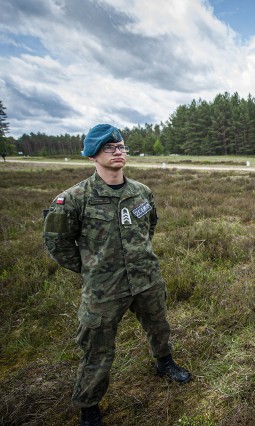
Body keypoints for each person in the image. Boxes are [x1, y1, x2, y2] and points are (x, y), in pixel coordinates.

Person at [42, 124, 191, 426]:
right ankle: (89, 405)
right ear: (92, 155)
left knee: (159, 326)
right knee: (96, 346)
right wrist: (91, 267)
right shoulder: (74, 199)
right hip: (103, 289)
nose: (118, 151)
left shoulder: (141, 192)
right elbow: (57, 243)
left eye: (121, 146)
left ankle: (164, 362)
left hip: (146, 278)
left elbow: (149, 227)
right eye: (110, 147)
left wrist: (137, 257)